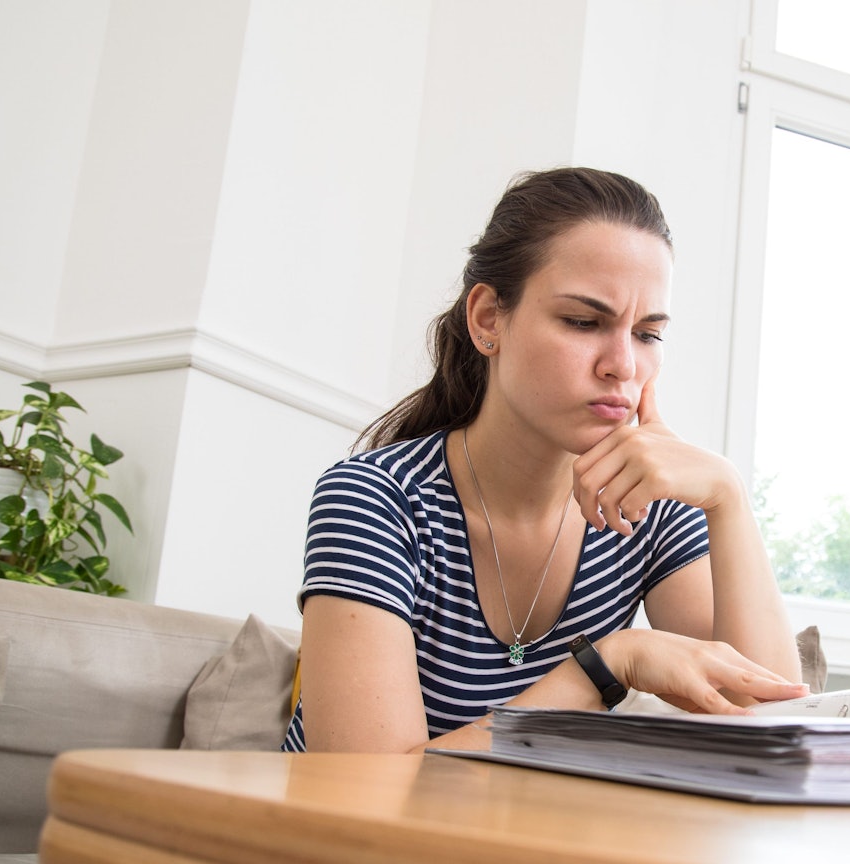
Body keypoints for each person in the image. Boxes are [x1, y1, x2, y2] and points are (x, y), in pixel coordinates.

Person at [282, 166, 805, 753]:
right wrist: (607, 663)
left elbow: (772, 727)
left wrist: (728, 498)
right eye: (583, 322)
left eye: (648, 334)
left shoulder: (653, 509)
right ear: (487, 320)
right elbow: (363, 796)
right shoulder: (376, 501)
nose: (622, 366)